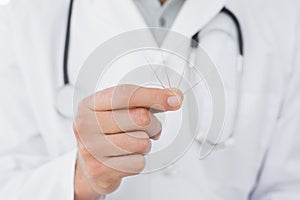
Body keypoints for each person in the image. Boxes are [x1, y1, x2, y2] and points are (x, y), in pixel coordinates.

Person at [0, 0, 300, 199]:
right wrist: (80, 179)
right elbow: (8, 183)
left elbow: (288, 186)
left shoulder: (283, 15)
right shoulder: (23, 14)